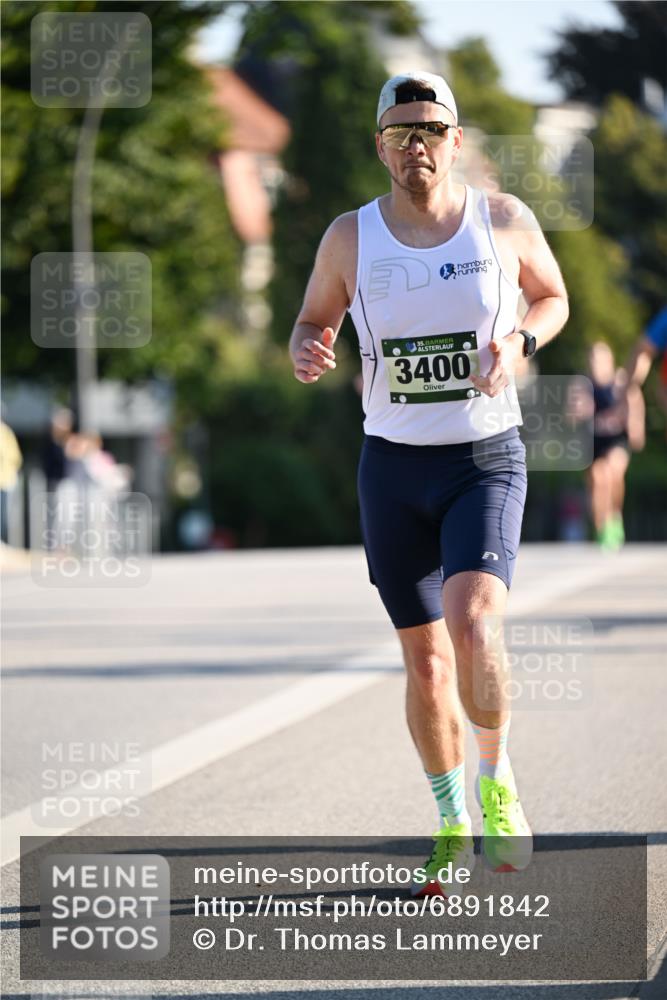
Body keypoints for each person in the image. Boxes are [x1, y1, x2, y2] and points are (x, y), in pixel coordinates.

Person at [289, 71, 569, 894]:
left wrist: (517, 343)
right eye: (401, 132)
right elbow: (313, 317)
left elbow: (552, 298)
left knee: (475, 625)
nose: (418, 145)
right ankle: (450, 819)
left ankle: (497, 782)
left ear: (455, 139)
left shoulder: (502, 220)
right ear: (380, 145)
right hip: (391, 467)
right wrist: (308, 346)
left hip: (482, 457)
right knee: (425, 667)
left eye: (432, 129)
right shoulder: (349, 237)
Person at [586, 342, 644, 549]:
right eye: (592, 358)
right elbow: (570, 414)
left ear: (609, 360)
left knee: (613, 471)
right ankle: (601, 526)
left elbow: (634, 398)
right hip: (594, 441)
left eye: (600, 358)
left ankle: (614, 517)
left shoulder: (619, 381)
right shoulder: (584, 385)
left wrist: (637, 426)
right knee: (597, 477)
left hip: (617, 439)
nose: (596, 363)